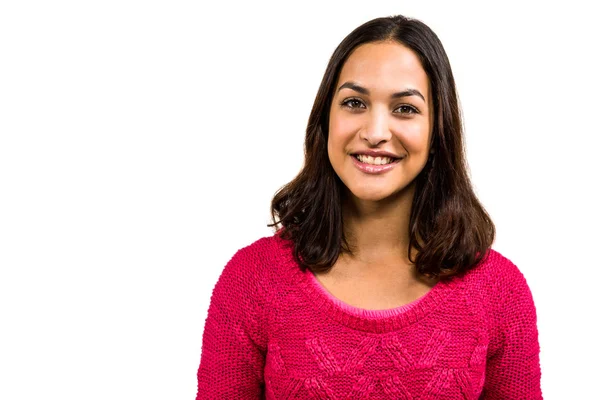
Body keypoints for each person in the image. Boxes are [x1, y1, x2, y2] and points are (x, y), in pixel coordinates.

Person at [195, 14, 542, 399]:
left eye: (405, 109)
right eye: (355, 102)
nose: (375, 133)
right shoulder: (252, 280)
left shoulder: (499, 291)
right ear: (326, 119)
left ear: (436, 130)